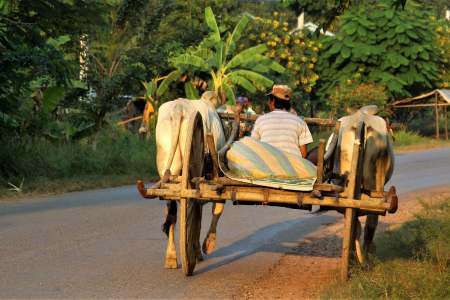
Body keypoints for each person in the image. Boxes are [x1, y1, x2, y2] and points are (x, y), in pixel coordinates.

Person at [251, 85, 313, 158]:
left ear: (273, 101)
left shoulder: (261, 120)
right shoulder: (300, 122)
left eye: (269, 100)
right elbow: (303, 153)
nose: (268, 103)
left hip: (267, 166)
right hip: (293, 166)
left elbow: (253, 147)